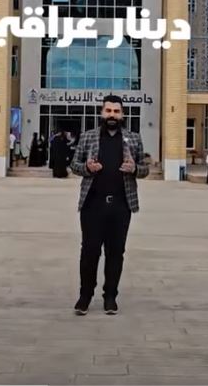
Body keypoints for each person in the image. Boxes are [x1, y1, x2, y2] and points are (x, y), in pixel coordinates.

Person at [69, 95, 148, 316]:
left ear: (122, 115)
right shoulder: (88, 137)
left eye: (116, 111)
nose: (112, 115)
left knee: (116, 252)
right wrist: (87, 168)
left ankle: (110, 297)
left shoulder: (133, 139)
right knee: (90, 251)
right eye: (108, 111)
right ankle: (85, 296)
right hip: (92, 205)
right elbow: (74, 165)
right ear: (101, 113)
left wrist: (134, 169)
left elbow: (145, 169)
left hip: (121, 206)